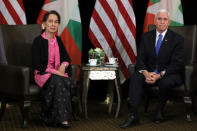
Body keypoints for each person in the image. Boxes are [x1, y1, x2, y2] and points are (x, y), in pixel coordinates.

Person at [120, 9, 184, 129]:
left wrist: (159, 75)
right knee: (135, 77)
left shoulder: (177, 39)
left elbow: (177, 64)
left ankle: (159, 110)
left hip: (167, 74)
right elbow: (140, 59)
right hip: (148, 73)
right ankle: (133, 115)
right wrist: (145, 73)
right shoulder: (146, 37)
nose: (162, 22)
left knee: (166, 82)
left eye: (165, 19)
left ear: (169, 22)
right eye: (159, 19)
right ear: (155, 21)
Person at [32, 10, 74, 129]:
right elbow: (36, 64)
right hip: (42, 74)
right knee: (61, 81)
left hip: (58, 75)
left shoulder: (58, 40)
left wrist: (63, 66)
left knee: (63, 81)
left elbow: (67, 58)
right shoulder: (38, 41)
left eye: (56, 22)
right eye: (50, 21)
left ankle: (51, 117)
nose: (53, 24)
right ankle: (62, 119)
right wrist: (55, 71)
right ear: (44, 24)